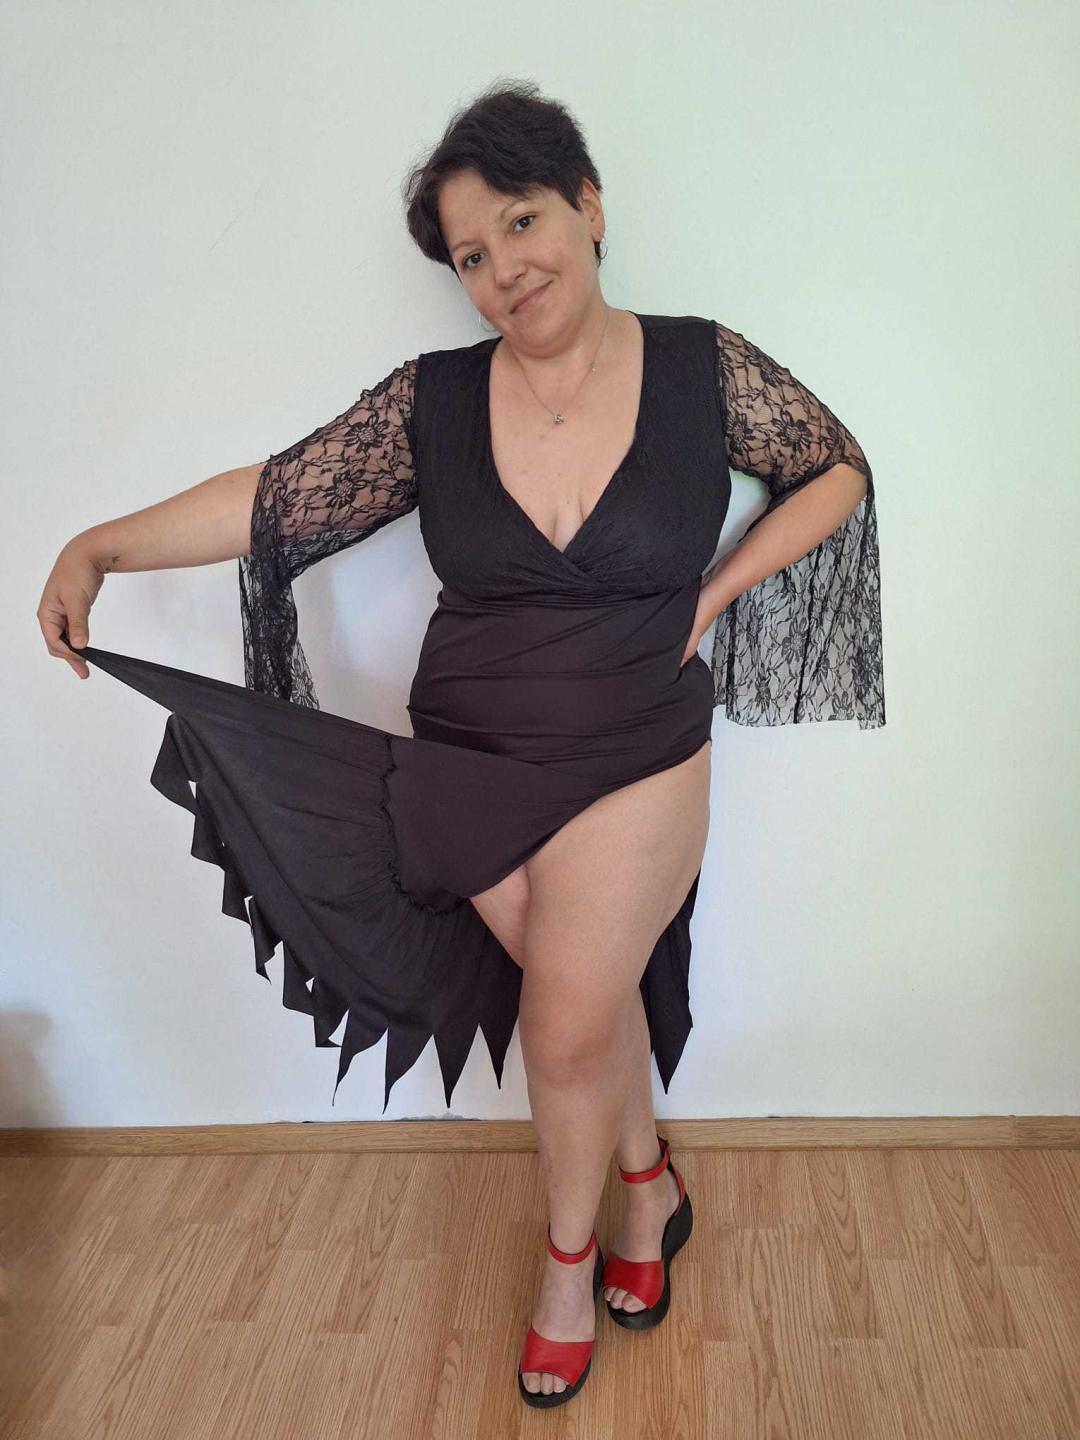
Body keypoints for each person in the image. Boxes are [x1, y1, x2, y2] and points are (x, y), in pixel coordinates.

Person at [36, 81, 883, 1407]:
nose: (503, 271)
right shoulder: (431, 402)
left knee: (563, 1021)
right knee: (586, 1004)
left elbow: (835, 468)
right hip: (465, 761)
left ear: (590, 207)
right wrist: (102, 544)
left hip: (636, 745)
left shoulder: (703, 368)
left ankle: (569, 1265)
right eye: (472, 256)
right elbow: (277, 496)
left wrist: (716, 594)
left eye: (522, 223)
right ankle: (649, 1184)